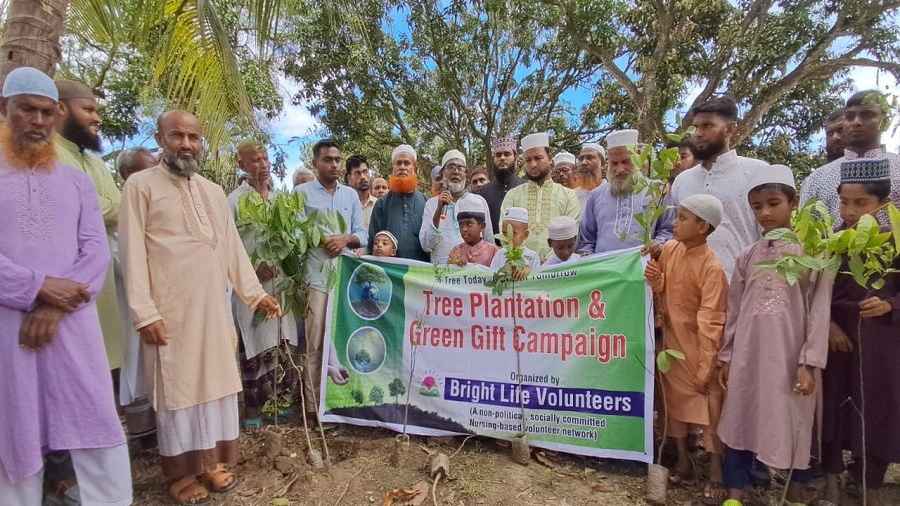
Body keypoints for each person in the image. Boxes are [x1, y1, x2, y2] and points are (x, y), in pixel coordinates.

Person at [119, 110, 281, 504]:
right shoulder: (140, 187)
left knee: (216, 387)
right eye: (178, 136)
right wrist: (144, 312)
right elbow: (131, 254)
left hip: (213, 310)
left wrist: (255, 293)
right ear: (160, 137)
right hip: (169, 312)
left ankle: (211, 462)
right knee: (179, 393)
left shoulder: (210, 191)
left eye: (194, 136)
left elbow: (231, 248)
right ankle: (180, 475)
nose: (187, 144)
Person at [0, 67, 133, 506]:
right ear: (6, 110)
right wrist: (37, 288)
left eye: (46, 112)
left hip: (71, 321)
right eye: (27, 110)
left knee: (92, 416)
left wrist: (56, 305)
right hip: (9, 324)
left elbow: (95, 249)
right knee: (14, 428)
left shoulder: (75, 178)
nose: (38, 121)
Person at [717, 164, 833, 505]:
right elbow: (734, 311)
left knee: (792, 418)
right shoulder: (747, 256)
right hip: (748, 357)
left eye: (773, 203)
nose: (765, 213)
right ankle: (736, 489)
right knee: (740, 415)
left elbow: (819, 310)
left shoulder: (814, 253)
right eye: (757, 207)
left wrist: (809, 362)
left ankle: (795, 489)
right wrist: (727, 356)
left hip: (790, 358)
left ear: (793, 202)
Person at [821, 158, 900, 506]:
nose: (850, 211)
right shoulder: (831, 241)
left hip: (883, 343)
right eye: (844, 202)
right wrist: (829, 324)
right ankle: (832, 478)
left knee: (878, 405)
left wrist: (890, 305)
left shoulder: (895, 241)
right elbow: (814, 292)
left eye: (861, 203)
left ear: (883, 204)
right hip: (839, 343)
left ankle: (869, 479)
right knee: (836, 405)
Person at [644, 193, 728, 503]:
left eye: (682, 218)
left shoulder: (712, 267)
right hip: (672, 344)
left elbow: (712, 319)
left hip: (698, 347)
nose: (675, 224)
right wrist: (655, 279)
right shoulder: (670, 250)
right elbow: (663, 290)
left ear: (703, 226)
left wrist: (707, 363)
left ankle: (717, 468)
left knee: (709, 407)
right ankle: (682, 459)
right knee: (674, 404)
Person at [54, 78, 125, 373]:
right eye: (88, 109)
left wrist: (99, 207)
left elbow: (119, 208)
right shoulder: (45, 154)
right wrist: (102, 207)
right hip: (62, 282)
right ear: (60, 108)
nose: (97, 118)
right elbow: (75, 206)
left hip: (103, 279)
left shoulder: (95, 162)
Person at [295, 139, 368, 418]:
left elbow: (363, 233)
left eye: (338, 160)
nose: (334, 165)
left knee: (342, 340)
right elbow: (295, 235)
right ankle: (314, 409)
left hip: (346, 280)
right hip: (315, 279)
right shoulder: (301, 193)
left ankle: (343, 406)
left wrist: (346, 238)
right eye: (328, 160)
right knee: (314, 343)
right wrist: (319, 239)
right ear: (315, 163)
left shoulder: (350, 195)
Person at [228, 141, 299, 429]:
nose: (263, 165)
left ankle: (281, 405)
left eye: (265, 158)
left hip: (281, 285)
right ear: (242, 164)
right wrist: (253, 270)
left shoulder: (280, 199)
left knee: (282, 343)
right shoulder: (233, 201)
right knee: (255, 345)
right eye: (255, 160)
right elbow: (227, 247)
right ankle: (255, 410)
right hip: (250, 289)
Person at [671, 96, 774, 279]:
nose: (699, 133)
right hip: (689, 293)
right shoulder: (682, 181)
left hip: (742, 287)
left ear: (731, 129)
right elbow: (676, 239)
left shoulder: (758, 172)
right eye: (696, 127)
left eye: (708, 126)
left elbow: (771, 239)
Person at [800, 90, 900, 222]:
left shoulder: (897, 167)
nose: (856, 122)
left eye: (867, 115)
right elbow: (804, 231)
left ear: (885, 121)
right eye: (849, 117)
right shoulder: (817, 178)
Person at [114, 148, 158, 444]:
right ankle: (143, 435)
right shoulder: (123, 211)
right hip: (135, 303)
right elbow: (123, 259)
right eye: (147, 169)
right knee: (137, 364)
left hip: (168, 300)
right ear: (129, 177)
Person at [577, 129, 674, 255]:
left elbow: (669, 230)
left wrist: (658, 244)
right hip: (603, 271)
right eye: (614, 163)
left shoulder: (658, 190)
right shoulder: (596, 196)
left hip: (645, 269)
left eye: (625, 162)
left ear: (638, 158)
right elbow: (586, 241)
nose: (620, 169)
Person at [501, 132, 581, 261]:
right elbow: (506, 233)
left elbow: (570, 233)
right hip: (520, 270)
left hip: (557, 268)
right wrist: (523, 261)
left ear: (550, 159)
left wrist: (549, 262)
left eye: (538, 158)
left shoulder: (568, 195)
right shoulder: (513, 195)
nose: (533, 164)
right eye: (528, 160)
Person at [420, 149, 494, 264]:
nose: (456, 171)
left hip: (474, 276)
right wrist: (439, 209)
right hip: (441, 276)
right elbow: (426, 245)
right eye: (451, 167)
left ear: (466, 174)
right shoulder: (431, 204)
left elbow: (490, 243)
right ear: (443, 173)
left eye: (460, 168)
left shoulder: (479, 202)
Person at [368, 144, 429, 261]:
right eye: (398, 163)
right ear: (393, 169)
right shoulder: (381, 204)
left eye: (407, 163)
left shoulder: (426, 202)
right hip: (392, 272)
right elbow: (373, 243)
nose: (402, 167)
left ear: (414, 169)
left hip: (421, 273)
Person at [475, 135, 524, 234]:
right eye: (498, 155)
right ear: (493, 159)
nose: (502, 158)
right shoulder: (481, 194)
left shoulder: (526, 187)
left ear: (515, 157)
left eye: (507, 154)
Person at [448, 201, 498, 268]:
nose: (464, 229)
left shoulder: (493, 251)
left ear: (482, 226)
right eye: (461, 225)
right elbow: (448, 274)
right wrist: (454, 265)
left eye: (469, 224)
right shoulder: (456, 251)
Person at [490, 207, 541, 272]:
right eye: (504, 233)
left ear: (526, 235)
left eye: (513, 233)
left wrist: (528, 271)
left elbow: (536, 279)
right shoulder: (500, 254)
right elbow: (492, 276)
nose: (508, 238)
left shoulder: (532, 256)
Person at [347, 154, 378, 229]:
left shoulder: (378, 205)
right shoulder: (344, 206)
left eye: (365, 172)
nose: (363, 177)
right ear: (349, 178)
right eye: (357, 173)